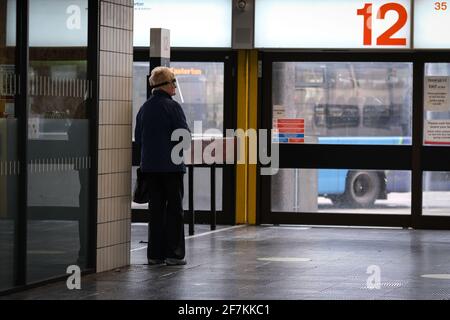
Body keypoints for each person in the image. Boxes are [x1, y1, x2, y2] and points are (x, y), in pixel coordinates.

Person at [135, 66, 190, 266]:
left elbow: (139, 139)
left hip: (150, 168)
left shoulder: (144, 108)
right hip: (172, 167)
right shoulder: (173, 107)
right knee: (174, 210)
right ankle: (174, 254)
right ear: (164, 85)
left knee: (156, 210)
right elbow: (183, 136)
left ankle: (154, 255)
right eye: (173, 82)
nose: (175, 86)